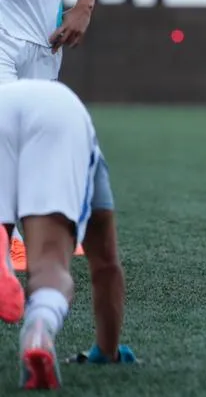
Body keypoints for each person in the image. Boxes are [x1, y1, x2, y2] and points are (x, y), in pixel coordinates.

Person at [0, 79, 131, 389]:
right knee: (49, 265)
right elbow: (107, 268)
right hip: (59, 113)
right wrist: (108, 351)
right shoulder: (89, 155)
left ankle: (3, 258)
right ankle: (39, 330)